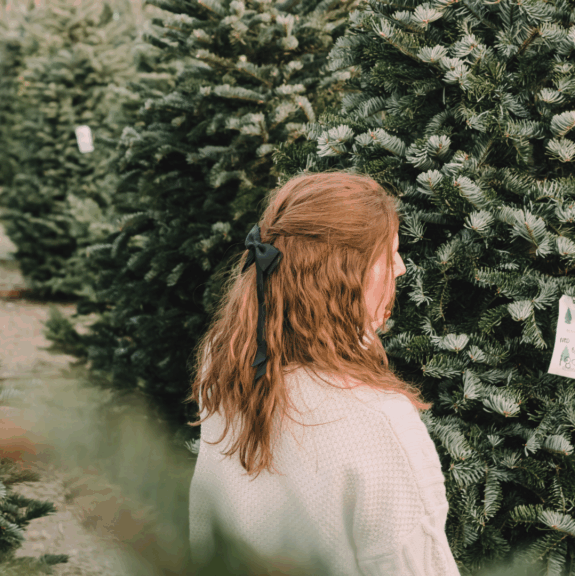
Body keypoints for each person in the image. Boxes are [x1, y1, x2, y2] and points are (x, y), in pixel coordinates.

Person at [186, 172, 460, 576]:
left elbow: (206, 523)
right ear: (343, 274)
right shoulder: (379, 421)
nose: (400, 269)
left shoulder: (225, 362)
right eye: (389, 254)